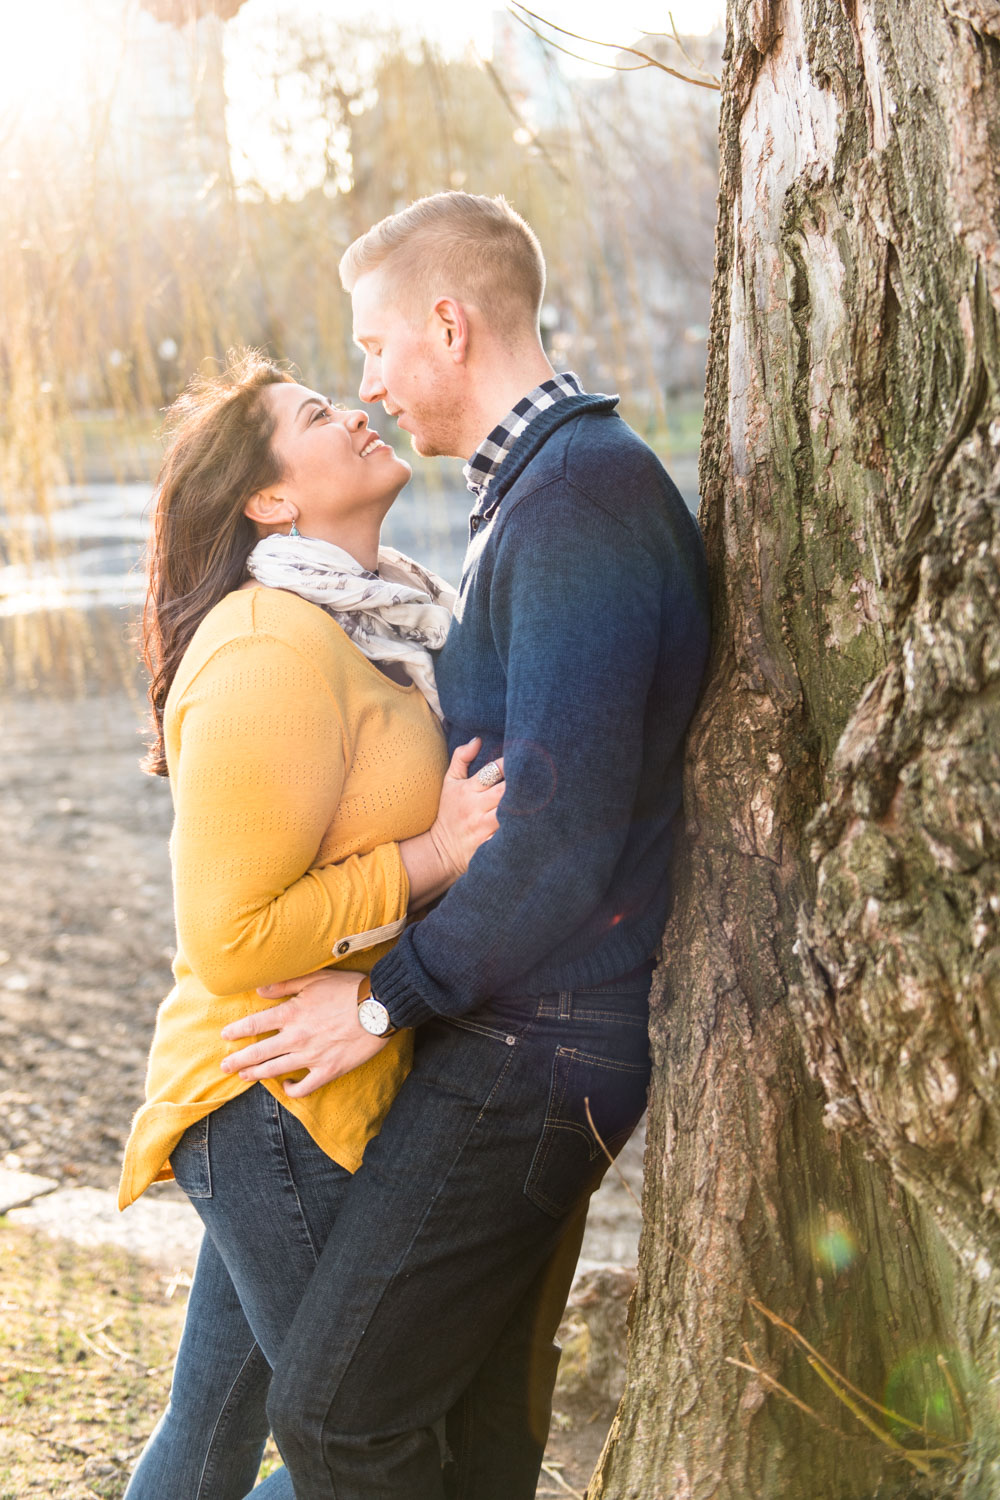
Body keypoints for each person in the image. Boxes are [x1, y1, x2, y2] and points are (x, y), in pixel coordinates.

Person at [223, 192, 711, 1499]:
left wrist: (379, 1002)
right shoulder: (539, 490)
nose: (368, 382)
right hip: (524, 1040)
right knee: (478, 1435)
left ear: (449, 323)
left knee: (337, 1417)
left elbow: (558, 842)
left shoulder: (577, 499)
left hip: (534, 1055)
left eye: (376, 346)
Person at [118, 348, 505, 1499]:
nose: (357, 414)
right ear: (269, 500)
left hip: (324, 1079)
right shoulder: (263, 647)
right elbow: (232, 934)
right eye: (317, 415)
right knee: (377, 1453)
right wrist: (431, 856)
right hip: (268, 1098)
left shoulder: (387, 621)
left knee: (214, 1434)